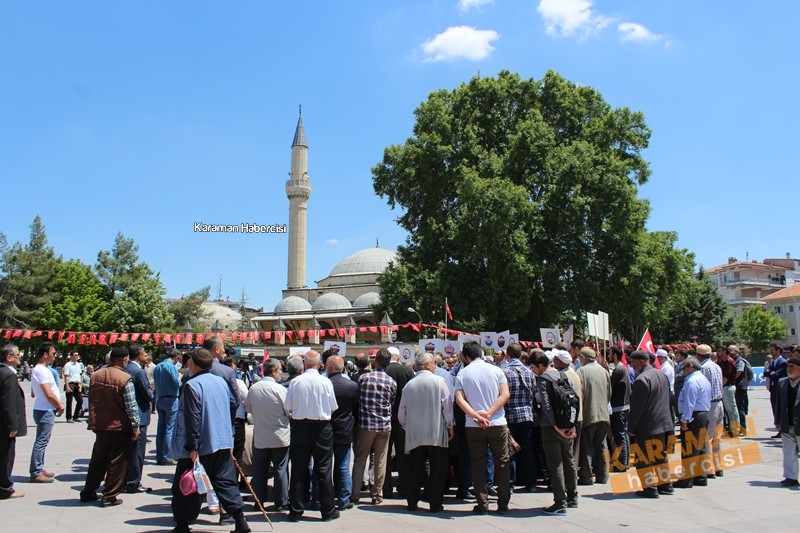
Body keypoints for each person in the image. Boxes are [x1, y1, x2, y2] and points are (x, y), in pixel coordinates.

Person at [170, 348, 250, 533]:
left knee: (186, 484)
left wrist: (192, 446)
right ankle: (240, 520)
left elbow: (193, 418)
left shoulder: (193, 385)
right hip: (221, 439)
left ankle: (182, 524)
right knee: (225, 481)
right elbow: (233, 404)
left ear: (193, 365)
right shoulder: (221, 382)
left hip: (201, 444)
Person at [454, 341, 510, 515]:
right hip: (497, 422)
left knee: (477, 464)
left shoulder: (463, 373)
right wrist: (489, 413)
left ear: (466, 356)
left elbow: (459, 399)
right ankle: (503, 503)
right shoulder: (497, 370)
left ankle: (482, 503)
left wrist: (476, 416)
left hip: (473, 425)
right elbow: (505, 394)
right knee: (502, 463)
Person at [80, 346, 140, 507]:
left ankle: (88, 491)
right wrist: (136, 426)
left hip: (99, 423)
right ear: (124, 360)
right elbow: (131, 406)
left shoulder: (96, 375)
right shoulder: (124, 378)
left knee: (98, 459)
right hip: (119, 425)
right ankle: (109, 495)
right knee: (117, 461)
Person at [283, 350, 340, 522]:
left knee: (299, 469)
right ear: (319, 364)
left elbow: (288, 407)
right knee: (323, 469)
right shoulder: (325, 382)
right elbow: (333, 407)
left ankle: (295, 510)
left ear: (304, 364)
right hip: (321, 427)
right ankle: (327, 509)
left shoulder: (296, 382)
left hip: (300, 426)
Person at [398, 352, 454, 513]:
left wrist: (407, 427)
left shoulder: (409, 385)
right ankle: (435, 504)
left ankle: (412, 502)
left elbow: (402, 412)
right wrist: (450, 426)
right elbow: (447, 407)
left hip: (415, 434)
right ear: (429, 365)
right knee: (437, 470)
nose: (436, 366)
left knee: (414, 469)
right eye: (434, 364)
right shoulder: (439, 382)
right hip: (436, 432)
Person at [530, 351, 578, 515]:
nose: (533, 370)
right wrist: (571, 425)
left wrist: (555, 426)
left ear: (541, 365)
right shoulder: (563, 375)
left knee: (555, 464)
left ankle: (560, 502)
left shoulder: (543, 379)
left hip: (551, 427)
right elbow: (574, 400)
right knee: (569, 460)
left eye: (534, 367)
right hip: (567, 424)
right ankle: (573, 497)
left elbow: (546, 405)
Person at [351, 348, 396, 505]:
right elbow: (391, 402)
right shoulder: (391, 382)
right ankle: (377, 492)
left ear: (375, 361)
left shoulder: (364, 379)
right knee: (380, 460)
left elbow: (358, 398)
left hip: (366, 424)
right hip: (384, 425)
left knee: (360, 458)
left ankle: (355, 492)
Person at [627, 350, 674, 498]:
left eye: (633, 362)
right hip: (662, 423)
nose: (631, 365)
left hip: (647, 425)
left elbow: (637, 408)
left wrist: (631, 428)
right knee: (660, 456)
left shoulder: (642, 379)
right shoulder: (661, 375)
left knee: (644, 458)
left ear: (641, 361)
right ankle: (665, 485)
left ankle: (649, 488)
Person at [245, 358, 290, 512]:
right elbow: (289, 411)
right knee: (280, 469)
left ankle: (259, 500)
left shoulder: (254, 388)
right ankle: (281, 502)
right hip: (279, 435)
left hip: (261, 435)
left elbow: (248, 409)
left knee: (260, 470)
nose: (281, 373)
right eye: (280, 370)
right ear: (274, 371)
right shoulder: (280, 390)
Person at [325, 355, 358, 511]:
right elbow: (356, 409)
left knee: (324, 466)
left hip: (325, 430)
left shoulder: (324, 384)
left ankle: (322, 497)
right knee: (343, 466)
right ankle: (344, 499)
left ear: (329, 368)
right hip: (344, 429)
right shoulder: (351, 386)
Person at [502, 342, 536, 492]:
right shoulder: (530, 372)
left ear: (507, 355)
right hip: (527, 415)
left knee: (510, 450)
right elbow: (533, 392)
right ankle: (530, 483)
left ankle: (510, 483)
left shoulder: (504, 372)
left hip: (510, 415)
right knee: (527, 449)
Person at [576, 347, 611, 485]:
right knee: (602, 445)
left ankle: (587, 476)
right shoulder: (604, 371)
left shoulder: (581, 371)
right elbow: (609, 393)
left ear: (584, 358)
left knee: (587, 447)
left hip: (588, 413)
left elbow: (580, 394)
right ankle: (603, 475)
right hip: (603, 413)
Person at [383, 346, 414, 499]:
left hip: (387, 419)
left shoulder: (384, 371)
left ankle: (386, 488)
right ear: (399, 357)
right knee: (403, 456)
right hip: (404, 420)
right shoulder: (408, 371)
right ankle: (403, 487)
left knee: (385, 456)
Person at [674, 356, 711, 489]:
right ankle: (700, 477)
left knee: (689, 449)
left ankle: (686, 480)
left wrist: (685, 420)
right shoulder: (702, 378)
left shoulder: (691, 381)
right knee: (699, 448)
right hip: (702, 415)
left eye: (684, 368)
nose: (683, 370)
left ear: (691, 367)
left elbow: (690, 403)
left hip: (694, 415)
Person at [29, 342, 63, 483]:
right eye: (53, 354)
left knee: (43, 440)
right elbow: (48, 393)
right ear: (45, 354)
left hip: (45, 408)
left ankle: (39, 467)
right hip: (45, 409)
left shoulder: (44, 369)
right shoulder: (41, 370)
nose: (54, 356)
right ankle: (36, 472)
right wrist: (59, 405)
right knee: (41, 441)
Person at [124, 344, 154, 494]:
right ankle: (134, 481)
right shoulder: (138, 371)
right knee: (137, 451)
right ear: (140, 354)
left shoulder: (124, 368)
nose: (146, 355)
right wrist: (152, 394)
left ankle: (124, 479)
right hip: (139, 415)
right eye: (144, 353)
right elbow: (147, 392)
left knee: (127, 450)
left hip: (126, 414)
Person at [0, 344, 27, 500]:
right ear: (8, 357)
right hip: (5, 425)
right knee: (6, 455)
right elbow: (8, 403)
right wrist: (12, 425)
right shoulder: (9, 375)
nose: (20, 357)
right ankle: (5, 488)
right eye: (17, 355)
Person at [696, 344, 724, 477]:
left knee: (708, 437)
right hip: (719, 403)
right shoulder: (716, 366)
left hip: (710, 404)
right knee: (717, 438)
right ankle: (718, 466)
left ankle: (709, 468)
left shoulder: (703, 368)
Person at [773, 356, 800, 487]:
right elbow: (778, 403)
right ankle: (791, 477)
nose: (789, 369)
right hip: (787, 423)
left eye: (792, 367)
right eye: (788, 367)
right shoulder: (782, 382)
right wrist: (777, 420)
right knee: (788, 452)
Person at [153, 350, 181, 465]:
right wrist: (180, 380)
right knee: (170, 429)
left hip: (160, 398)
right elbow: (176, 383)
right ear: (176, 357)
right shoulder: (171, 367)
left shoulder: (158, 366)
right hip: (171, 399)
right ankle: (168, 456)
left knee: (161, 428)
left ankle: (159, 455)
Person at [608, 347, 630, 473]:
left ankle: (622, 463)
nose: (609, 355)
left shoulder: (619, 370)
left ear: (615, 355)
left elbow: (610, 386)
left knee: (620, 436)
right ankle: (624, 461)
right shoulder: (622, 369)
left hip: (619, 408)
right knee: (623, 434)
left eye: (610, 353)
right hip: (623, 407)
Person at [716, 346, 740, 437]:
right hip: (724, 387)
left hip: (728, 387)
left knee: (732, 410)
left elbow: (726, 376)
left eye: (719, 351)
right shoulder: (720, 361)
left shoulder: (728, 361)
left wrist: (720, 386)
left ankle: (735, 430)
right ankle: (731, 429)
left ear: (724, 352)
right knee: (728, 410)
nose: (718, 353)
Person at [765, 344, 787, 438]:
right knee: (775, 408)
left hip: (780, 388)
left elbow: (776, 374)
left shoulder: (783, 362)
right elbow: (768, 372)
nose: (771, 352)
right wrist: (770, 373)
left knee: (781, 409)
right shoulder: (772, 362)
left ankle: (783, 430)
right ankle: (779, 429)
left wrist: (770, 373)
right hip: (773, 388)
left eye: (773, 350)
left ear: (778, 350)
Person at [731, 345, 750, 436]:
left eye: (731, 351)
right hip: (737, 386)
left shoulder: (740, 361)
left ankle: (743, 429)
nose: (730, 352)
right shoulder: (734, 360)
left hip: (740, 387)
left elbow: (739, 372)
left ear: (736, 351)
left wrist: (731, 379)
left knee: (740, 408)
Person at [61, 351, 84, 423]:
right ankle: (69, 417)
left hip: (77, 383)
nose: (77, 356)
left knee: (80, 401)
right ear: (71, 356)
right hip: (70, 383)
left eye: (77, 355)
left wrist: (80, 385)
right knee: (69, 401)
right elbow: (66, 376)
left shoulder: (79, 365)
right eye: (75, 355)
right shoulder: (68, 365)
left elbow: (79, 375)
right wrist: (67, 386)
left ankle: (76, 416)